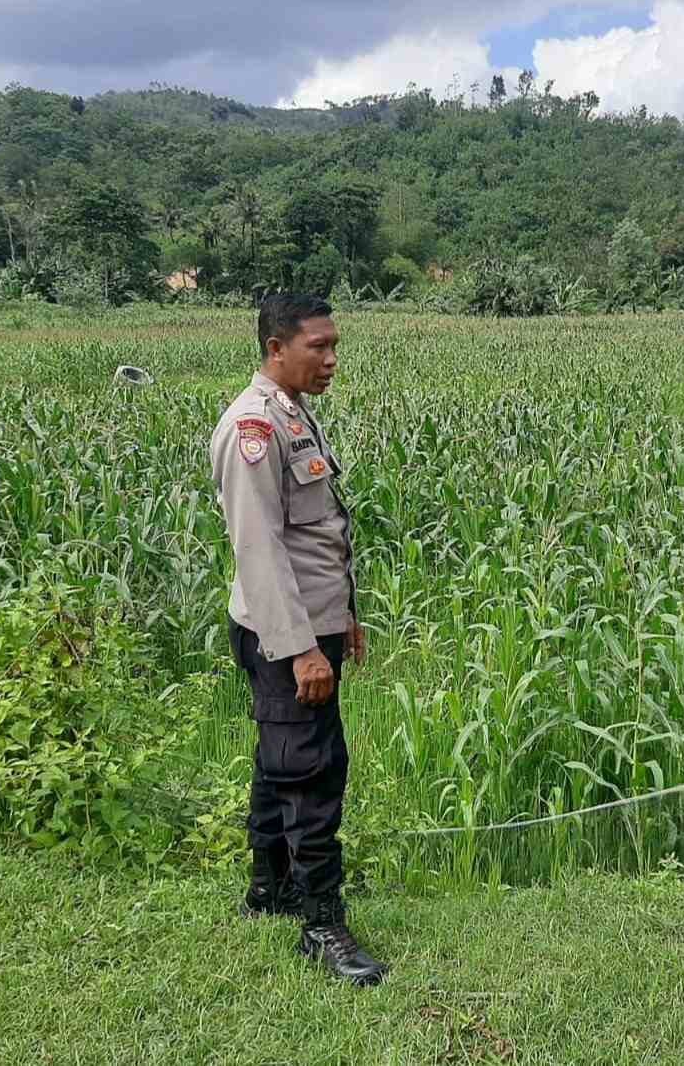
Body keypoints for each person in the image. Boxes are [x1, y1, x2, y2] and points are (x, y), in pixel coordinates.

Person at [209, 293, 387, 987]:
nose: (332, 358)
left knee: (280, 758)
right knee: (312, 770)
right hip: (287, 634)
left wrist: (341, 615)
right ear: (276, 347)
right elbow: (259, 551)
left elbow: (316, 533)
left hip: (313, 622)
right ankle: (321, 923)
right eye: (319, 346)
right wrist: (302, 648)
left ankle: (270, 889)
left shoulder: (291, 413)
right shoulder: (253, 426)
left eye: (334, 344)